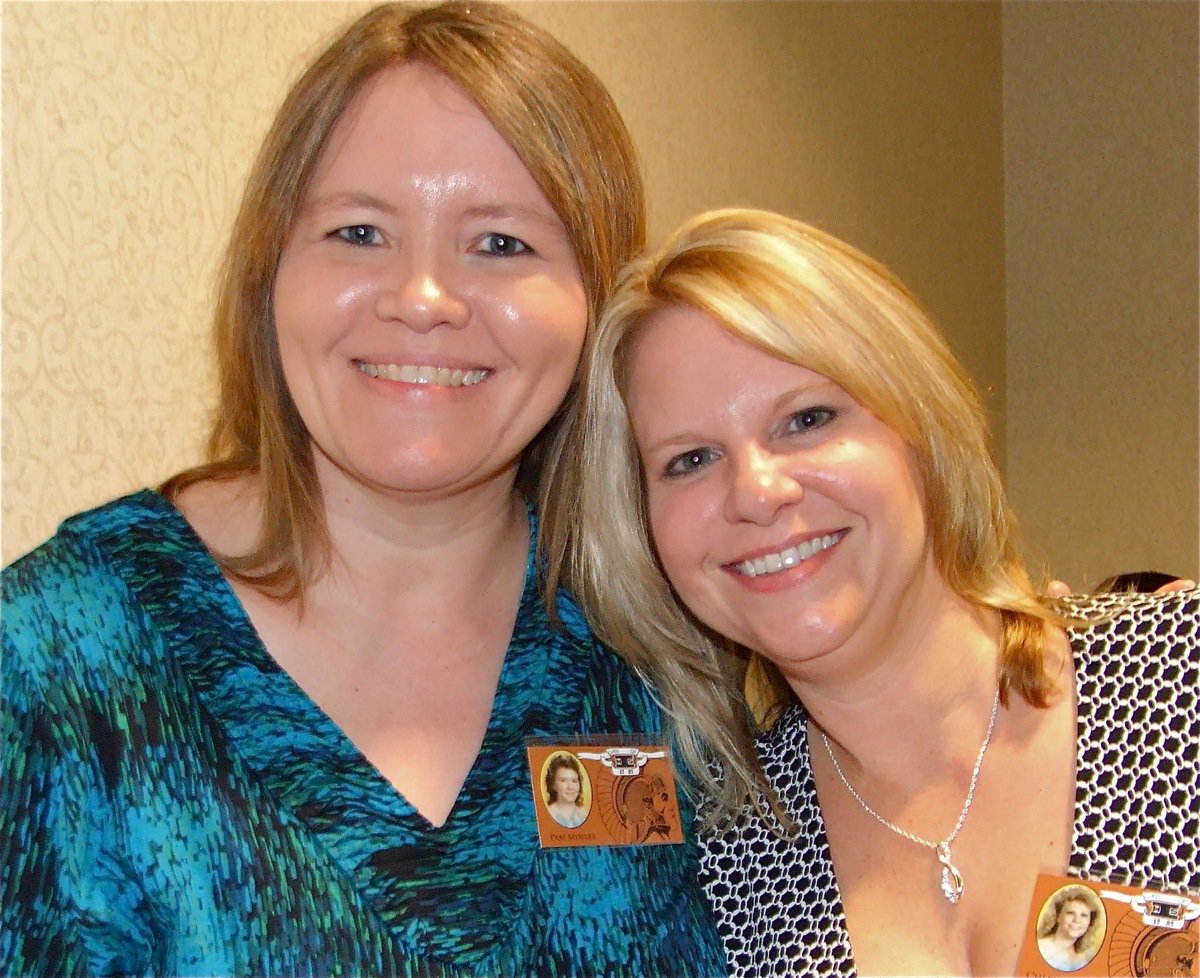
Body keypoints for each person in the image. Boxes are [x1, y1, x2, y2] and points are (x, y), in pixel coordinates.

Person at [0, 5, 727, 976]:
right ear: (270, 277)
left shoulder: (659, 652)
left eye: (502, 244)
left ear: (598, 299)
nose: (423, 298)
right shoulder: (60, 662)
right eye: (357, 231)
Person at [560, 207, 1199, 976]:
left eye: (806, 419)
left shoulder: (1176, 672)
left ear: (917, 431)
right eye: (690, 460)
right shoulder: (722, 871)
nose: (757, 492)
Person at [1036, 885, 1105, 972]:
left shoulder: (1086, 956)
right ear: (1057, 916)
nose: (1077, 920)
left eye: (1084, 915)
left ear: (1090, 922)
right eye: (1070, 913)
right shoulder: (1041, 948)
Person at [544, 753, 589, 828]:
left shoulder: (584, 813)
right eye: (563, 780)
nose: (570, 787)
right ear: (553, 785)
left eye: (574, 781)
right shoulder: (549, 814)